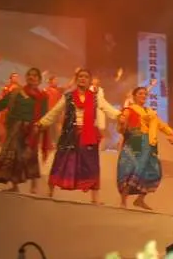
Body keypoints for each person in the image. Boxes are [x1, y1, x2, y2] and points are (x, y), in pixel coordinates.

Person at [38, 68, 121, 204]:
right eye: (80, 76)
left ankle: (95, 199)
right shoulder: (68, 96)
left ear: (89, 81)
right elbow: (55, 112)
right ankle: (50, 191)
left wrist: (120, 116)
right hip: (70, 133)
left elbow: (108, 109)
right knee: (61, 161)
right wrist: (42, 123)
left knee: (91, 164)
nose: (83, 79)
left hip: (88, 135)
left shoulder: (95, 97)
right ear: (76, 79)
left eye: (86, 77)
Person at [0, 66, 51, 193]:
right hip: (15, 130)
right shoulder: (16, 93)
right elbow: (0, 104)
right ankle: (15, 186)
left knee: (30, 157)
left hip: (32, 131)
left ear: (39, 80)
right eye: (29, 75)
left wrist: (38, 128)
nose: (31, 77)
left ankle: (34, 186)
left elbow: (44, 115)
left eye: (35, 76)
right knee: (14, 157)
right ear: (26, 77)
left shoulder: (42, 98)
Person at [117, 86, 173, 209]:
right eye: (140, 94)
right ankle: (123, 201)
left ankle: (140, 199)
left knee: (153, 171)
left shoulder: (151, 112)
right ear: (134, 96)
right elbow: (121, 129)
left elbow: (162, 125)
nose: (143, 96)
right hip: (134, 143)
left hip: (149, 144)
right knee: (132, 171)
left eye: (145, 94)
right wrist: (122, 123)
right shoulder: (129, 110)